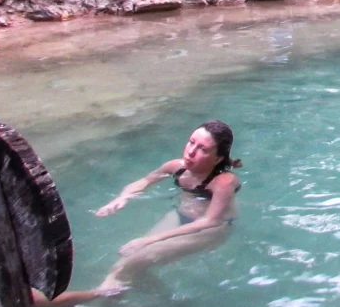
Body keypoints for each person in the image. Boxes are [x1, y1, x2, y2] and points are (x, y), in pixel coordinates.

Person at [96, 121, 241, 290]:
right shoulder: (176, 167)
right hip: (182, 216)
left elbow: (210, 220)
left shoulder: (223, 181)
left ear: (218, 159)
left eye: (203, 149)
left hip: (211, 230)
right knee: (124, 263)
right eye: (191, 142)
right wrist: (122, 197)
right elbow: (146, 181)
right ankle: (162, 299)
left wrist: (149, 239)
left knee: (131, 263)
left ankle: (103, 298)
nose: (191, 152)